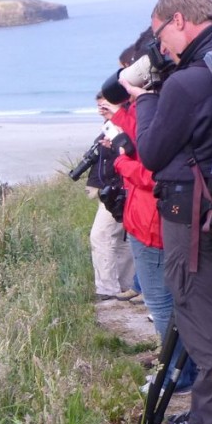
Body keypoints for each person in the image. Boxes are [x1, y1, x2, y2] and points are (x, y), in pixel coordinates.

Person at [123, 0, 212, 424]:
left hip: (193, 213)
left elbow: (153, 152)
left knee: (200, 313)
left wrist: (146, 98)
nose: (160, 48)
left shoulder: (188, 80)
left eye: (160, 36)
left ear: (179, 20)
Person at [109, 29, 196, 395]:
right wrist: (121, 118)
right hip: (147, 219)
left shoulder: (157, 106)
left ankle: (179, 377)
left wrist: (119, 159)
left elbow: (149, 169)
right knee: (169, 304)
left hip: (154, 223)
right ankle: (181, 370)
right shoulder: (161, 103)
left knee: (164, 306)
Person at [87, 93, 135, 302]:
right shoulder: (111, 124)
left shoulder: (123, 126)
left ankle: (107, 288)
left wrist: (114, 145)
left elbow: (129, 152)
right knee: (123, 239)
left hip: (118, 189)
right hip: (114, 189)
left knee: (101, 236)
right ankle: (126, 285)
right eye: (98, 106)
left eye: (105, 106)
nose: (101, 110)